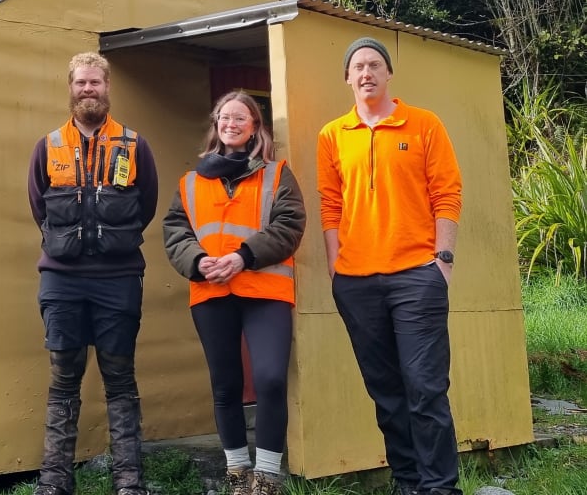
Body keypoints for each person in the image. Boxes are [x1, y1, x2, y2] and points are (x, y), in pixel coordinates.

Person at [316, 37, 463, 495]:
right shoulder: (332, 135)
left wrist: (442, 261)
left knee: (425, 388)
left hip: (417, 275)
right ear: (347, 77)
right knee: (386, 391)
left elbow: (447, 193)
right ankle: (407, 482)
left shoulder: (423, 124)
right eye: (357, 66)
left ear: (388, 74)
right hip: (357, 282)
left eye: (375, 65)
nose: (366, 73)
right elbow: (329, 205)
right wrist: (335, 269)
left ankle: (440, 487)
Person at [28, 51, 159, 495]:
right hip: (62, 281)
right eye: (81, 82)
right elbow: (38, 208)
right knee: (63, 377)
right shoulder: (47, 146)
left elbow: (146, 207)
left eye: (96, 83)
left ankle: (129, 482)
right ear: (70, 87)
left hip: (118, 279)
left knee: (120, 377)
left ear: (107, 88)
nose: (89, 89)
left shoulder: (135, 145)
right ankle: (54, 482)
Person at [163, 90, 306, 495]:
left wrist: (244, 256)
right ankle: (238, 473)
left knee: (270, 378)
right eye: (225, 117)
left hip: (265, 290)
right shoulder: (189, 183)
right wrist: (197, 261)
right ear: (216, 124)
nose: (232, 123)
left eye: (241, 117)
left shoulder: (278, 175)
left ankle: (267, 475)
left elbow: (290, 225)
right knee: (225, 384)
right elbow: (175, 231)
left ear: (255, 127)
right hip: (211, 292)